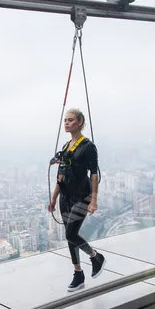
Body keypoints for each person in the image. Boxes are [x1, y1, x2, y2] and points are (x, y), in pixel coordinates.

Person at [49, 108, 106, 292]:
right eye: (65, 120)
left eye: (70, 120)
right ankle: (78, 273)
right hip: (65, 197)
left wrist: (94, 200)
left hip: (83, 196)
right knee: (69, 236)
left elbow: (95, 174)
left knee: (71, 234)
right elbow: (61, 176)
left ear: (80, 122)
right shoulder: (66, 147)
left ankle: (95, 256)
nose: (66, 123)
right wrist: (53, 198)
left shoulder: (88, 146)